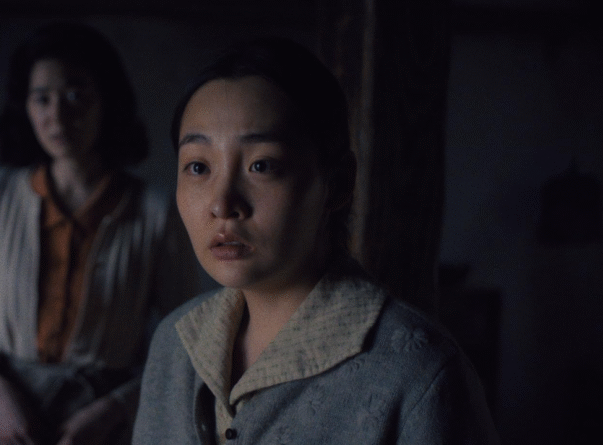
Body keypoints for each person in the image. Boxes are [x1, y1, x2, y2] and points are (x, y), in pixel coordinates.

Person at [132, 37, 499, 444]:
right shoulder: (175, 345)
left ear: (337, 184)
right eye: (198, 167)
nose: (222, 204)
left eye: (261, 165)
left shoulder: (417, 373)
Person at [0, 22, 198, 445]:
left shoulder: (154, 212)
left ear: (106, 100)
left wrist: (115, 409)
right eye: (42, 98)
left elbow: (186, 342)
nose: (57, 115)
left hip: (101, 425)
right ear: (25, 107)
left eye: (75, 95)